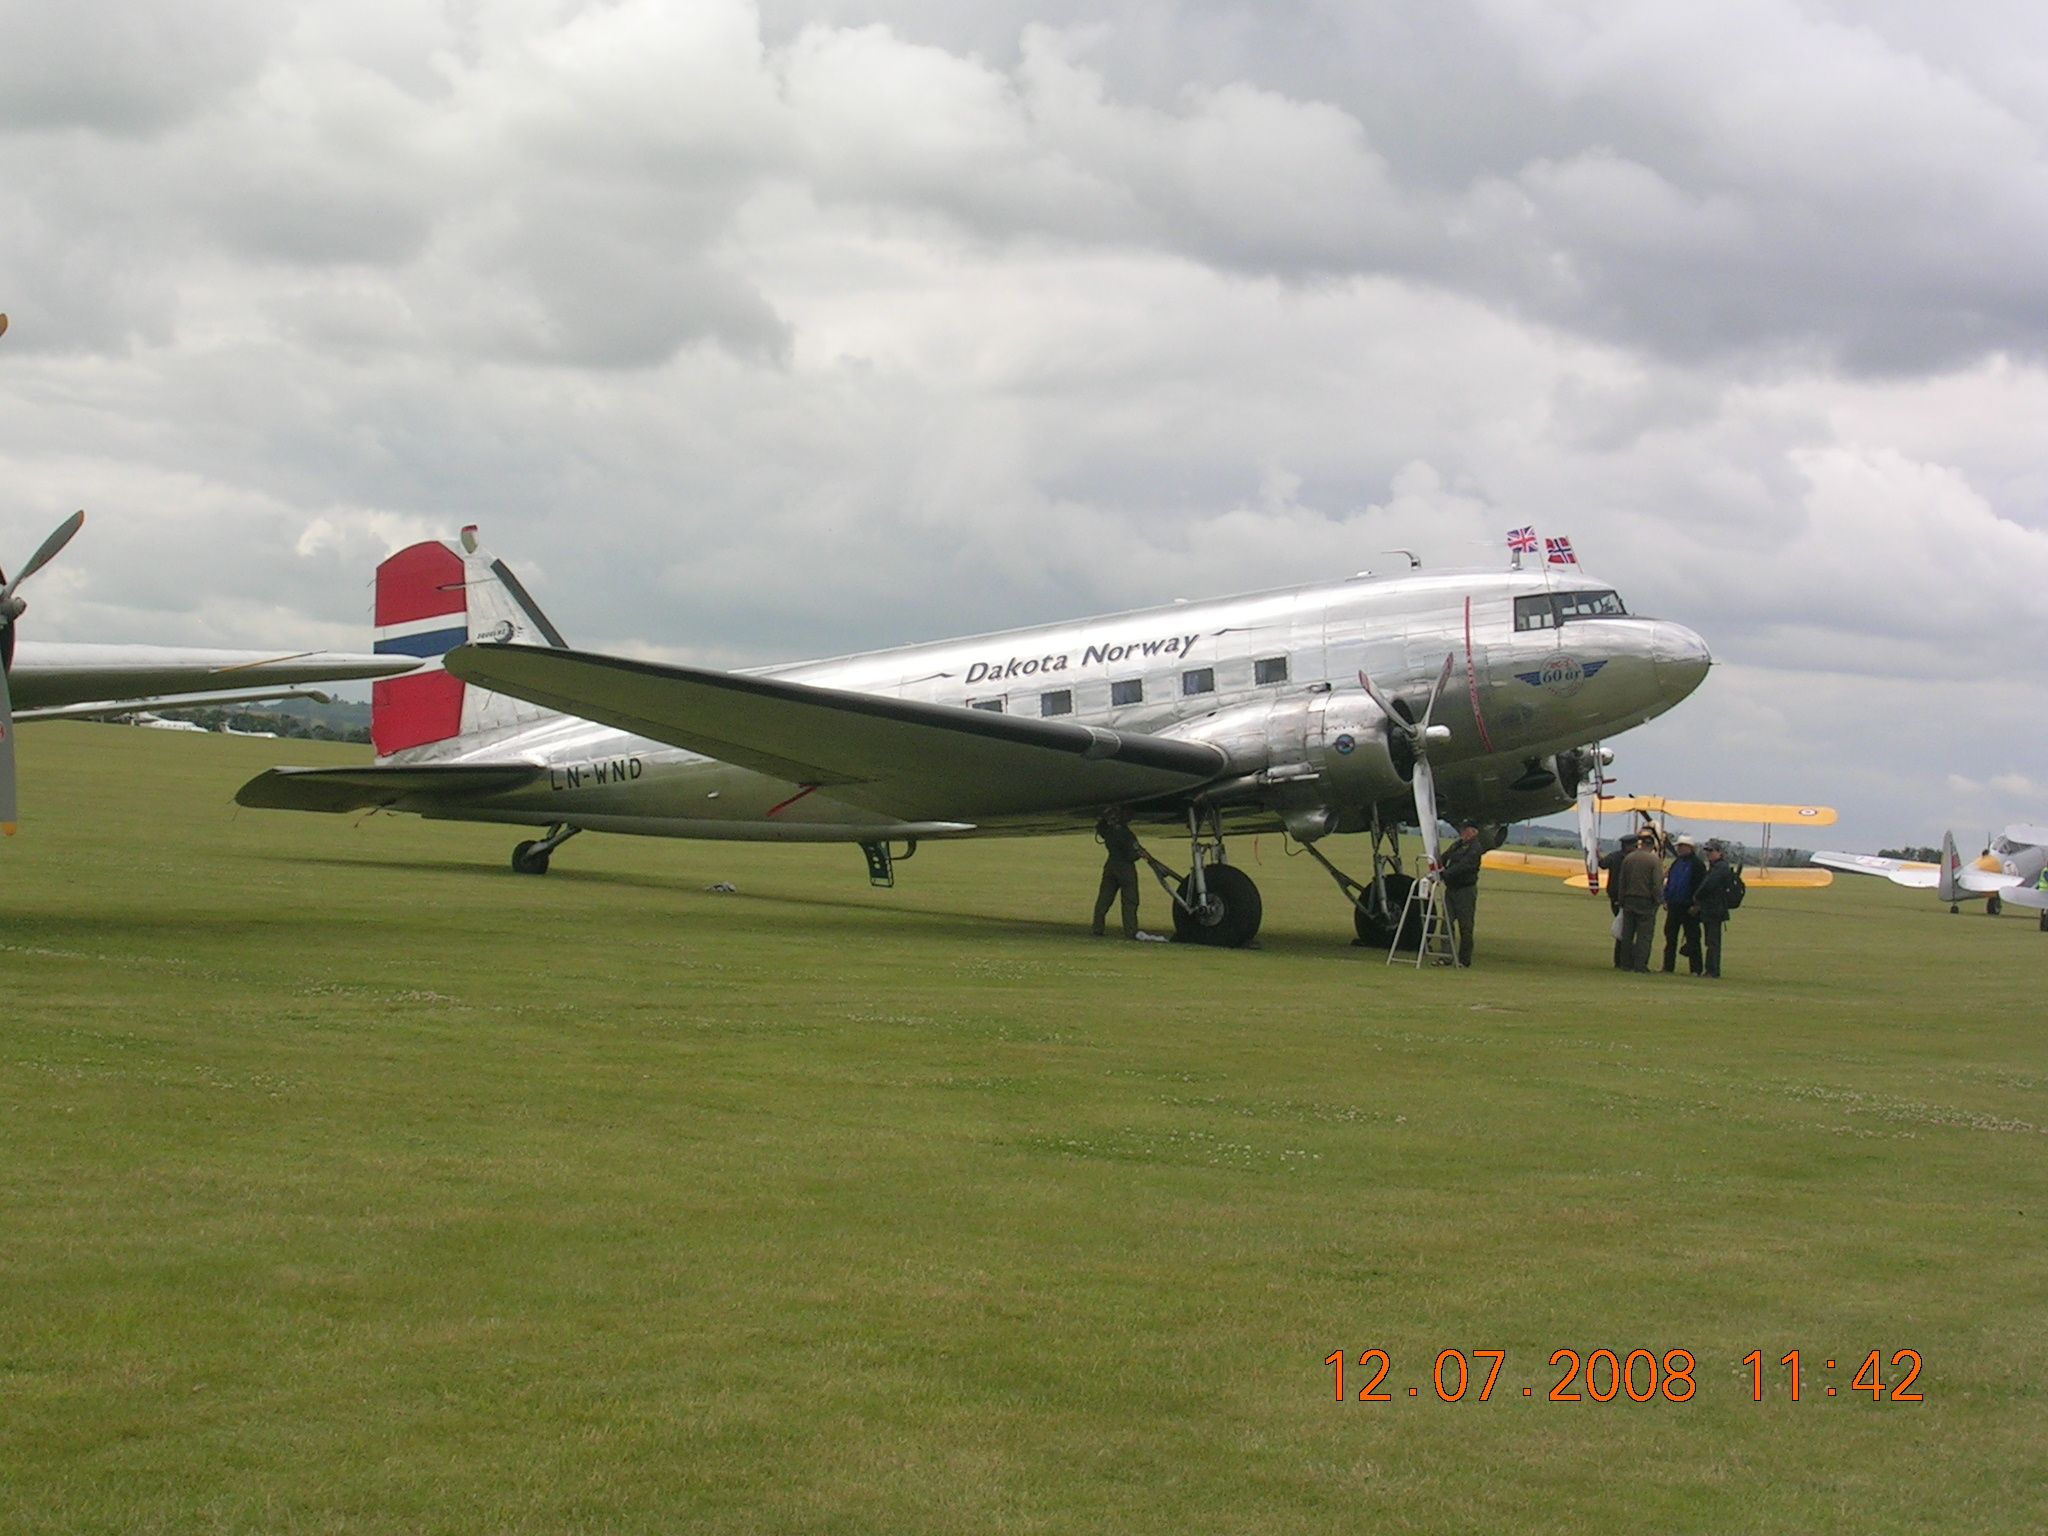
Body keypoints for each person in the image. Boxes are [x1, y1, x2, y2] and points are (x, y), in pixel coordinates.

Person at [1091, 808, 1165, 941]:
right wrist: (1140, 853)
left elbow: (1100, 829)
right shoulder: (1127, 835)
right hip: (1125, 868)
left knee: (1104, 899)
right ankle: (1130, 931)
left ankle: (1097, 928)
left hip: (1111, 865)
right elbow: (1132, 854)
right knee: (1130, 901)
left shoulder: (1109, 831)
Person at [1615, 829, 1664, 973]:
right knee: (1644, 935)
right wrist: (1658, 900)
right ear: (1652, 846)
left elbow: (1622, 881)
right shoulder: (1654, 861)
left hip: (1629, 899)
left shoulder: (1629, 858)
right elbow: (1656, 883)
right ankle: (1640, 965)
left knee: (1627, 934)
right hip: (1646, 901)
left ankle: (1625, 963)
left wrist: (1621, 899)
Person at [1438, 820, 1484, 967]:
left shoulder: (1475, 848)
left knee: (1465, 926)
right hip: (1451, 889)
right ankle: (1446, 956)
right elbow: (1445, 857)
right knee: (1446, 923)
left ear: (1473, 832)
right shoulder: (1457, 845)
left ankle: (1464, 960)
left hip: (1465, 890)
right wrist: (1437, 866)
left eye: (1465, 831)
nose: (1462, 833)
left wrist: (1445, 874)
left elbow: (1465, 865)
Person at [1660, 833, 1708, 974]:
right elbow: (1671, 883)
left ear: (1690, 848)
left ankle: (1696, 969)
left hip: (1689, 907)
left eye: (1682, 846)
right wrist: (1666, 899)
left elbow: (1700, 887)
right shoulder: (1677, 863)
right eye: (1679, 846)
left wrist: (1697, 905)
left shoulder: (1697, 865)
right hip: (1674, 905)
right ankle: (1668, 967)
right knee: (1670, 937)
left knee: (1692, 938)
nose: (1680, 849)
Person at [1692, 838, 1737, 978]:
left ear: (1719, 852)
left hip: (1715, 909)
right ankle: (1710, 969)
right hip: (1711, 908)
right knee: (1710, 941)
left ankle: (1712, 970)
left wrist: (1696, 896)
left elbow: (1708, 885)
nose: (1708, 854)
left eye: (1711, 851)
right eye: (1707, 851)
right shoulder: (1715, 867)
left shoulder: (1720, 868)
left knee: (1713, 942)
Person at [1601, 842, 1631, 968]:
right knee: (1626, 929)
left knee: (1621, 928)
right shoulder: (1632, 858)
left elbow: (1602, 864)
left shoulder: (1614, 856)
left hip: (1614, 896)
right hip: (1625, 897)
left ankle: (1619, 960)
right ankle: (1623, 960)